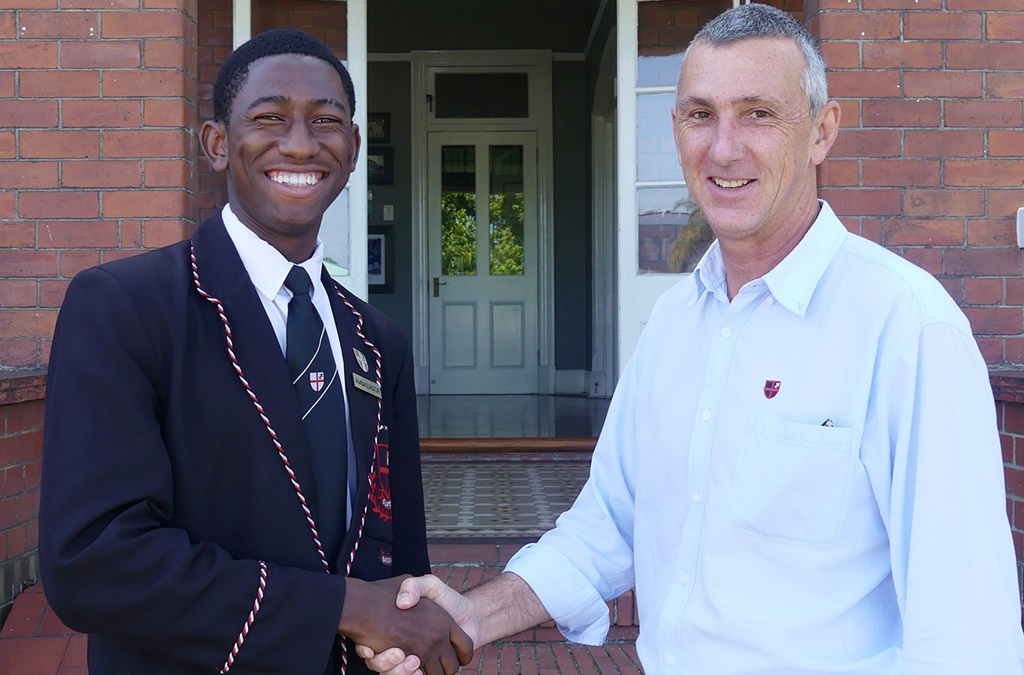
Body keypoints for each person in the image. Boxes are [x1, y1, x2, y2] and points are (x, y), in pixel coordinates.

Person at [358, 4, 1024, 674]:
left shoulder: (905, 327)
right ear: (675, 129)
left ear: (822, 132)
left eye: (758, 113)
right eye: (701, 114)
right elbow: (607, 527)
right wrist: (473, 614)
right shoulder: (677, 323)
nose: (723, 147)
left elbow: (967, 638)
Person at [39, 29, 472, 675]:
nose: (299, 142)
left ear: (352, 150)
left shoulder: (379, 342)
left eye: (326, 122)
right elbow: (93, 561)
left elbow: (395, 561)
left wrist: (401, 625)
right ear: (217, 144)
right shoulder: (126, 307)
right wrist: (341, 606)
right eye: (269, 118)